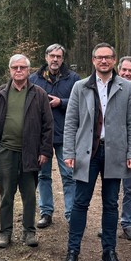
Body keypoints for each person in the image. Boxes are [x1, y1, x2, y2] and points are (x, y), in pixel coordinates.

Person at [60, 43, 131, 261]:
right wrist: (69, 152)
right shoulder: (80, 87)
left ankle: (109, 251)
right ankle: (73, 251)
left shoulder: (127, 88)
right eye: (99, 57)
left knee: (110, 203)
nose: (103, 61)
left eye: (107, 57)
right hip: (88, 152)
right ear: (93, 60)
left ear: (114, 60)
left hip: (115, 152)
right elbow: (71, 122)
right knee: (80, 203)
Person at [0, 54, 54, 248]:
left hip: (30, 153)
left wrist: (45, 151)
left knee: (29, 194)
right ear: (10, 70)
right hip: (5, 152)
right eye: (15, 67)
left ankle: (29, 232)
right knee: (6, 194)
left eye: (22, 67)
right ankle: (5, 232)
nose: (18, 70)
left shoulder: (39, 94)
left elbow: (48, 126)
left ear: (28, 70)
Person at [29, 44, 80, 228]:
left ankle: (71, 213)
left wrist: (62, 102)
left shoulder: (73, 78)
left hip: (65, 134)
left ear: (63, 58)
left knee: (68, 175)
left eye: (59, 56)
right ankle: (46, 212)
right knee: (43, 175)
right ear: (46, 57)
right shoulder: (34, 78)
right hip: (41, 135)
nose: (55, 59)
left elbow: (81, 102)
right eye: (52, 56)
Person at [117, 56, 131, 239]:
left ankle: (127, 221)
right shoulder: (112, 88)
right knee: (111, 189)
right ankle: (108, 222)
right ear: (118, 70)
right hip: (113, 147)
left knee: (130, 188)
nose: (127, 73)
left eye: (130, 70)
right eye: (124, 70)